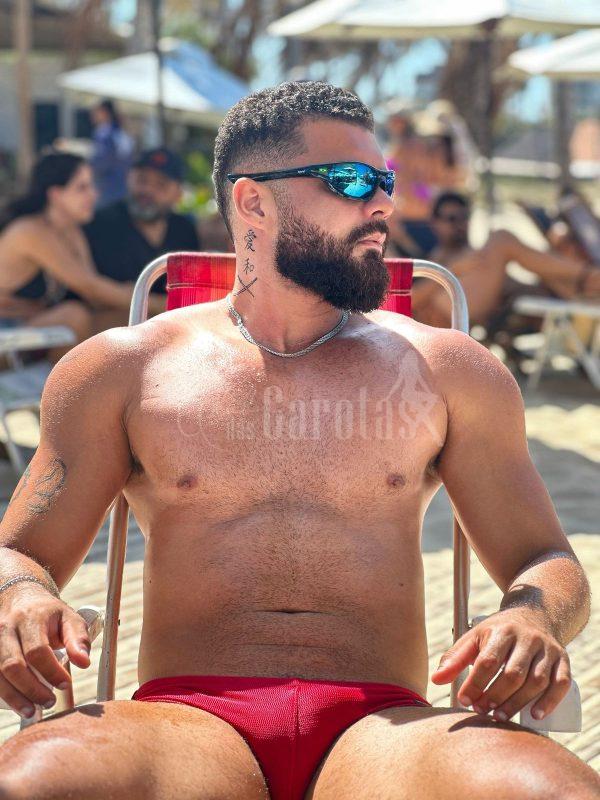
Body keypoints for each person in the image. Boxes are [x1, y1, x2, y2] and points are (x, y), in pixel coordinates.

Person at [0, 81, 598, 800]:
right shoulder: (125, 370)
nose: (383, 204)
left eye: (385, 180)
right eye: (351, 180)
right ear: (253, 201)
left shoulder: (445, 369)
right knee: (26, 783)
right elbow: (19, 553)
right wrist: (22, 598)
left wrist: (532, 616)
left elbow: (546, 558)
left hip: (384, 730)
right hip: (187, 724)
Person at [0, 151, 138, 361]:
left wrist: (143, 307)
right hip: (7, 333)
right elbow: (90, 286)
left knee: (128, 320)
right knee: (74, 316)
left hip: (30, 331)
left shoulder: (71, 231)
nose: (93, 195)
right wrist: (156, 302)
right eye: (82, 188)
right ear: (55, 194)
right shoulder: (29, 231)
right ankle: (63, 382)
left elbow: (94, 297)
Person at [411, 191, 600, 329]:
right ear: (434, 223)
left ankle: (585, 288)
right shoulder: (434, 257)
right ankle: (590, 276)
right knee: (501, 240)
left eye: (465, 217)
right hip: (445, 313)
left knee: (558, 245)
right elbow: (409, 300)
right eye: (452, 219)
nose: (460, 224)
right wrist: (453, 270)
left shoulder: (470, 254)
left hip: (480, 302)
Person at [83, 147, 201, 330]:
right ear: (128, 179)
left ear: (178, 193)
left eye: (161, 185)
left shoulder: (184, 230)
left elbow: (192, 296)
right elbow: (95, 297)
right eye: (142, 180)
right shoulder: (100, 224)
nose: (147, 190)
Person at [89, 99, 134, 209]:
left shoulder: (104, 133)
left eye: (96, 111)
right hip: (123, 186)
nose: (92, 115)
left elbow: (101, 162)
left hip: (107, 187)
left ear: (104, 112)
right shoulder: (121, 133)